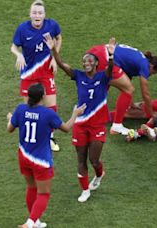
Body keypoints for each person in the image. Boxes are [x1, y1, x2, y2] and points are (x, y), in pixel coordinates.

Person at [7, 83, 86, 228]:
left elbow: (10, 129)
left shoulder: (20, 109)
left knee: (31, 188)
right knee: (43, 193)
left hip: (24, 157)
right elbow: (67, 128)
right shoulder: (48, 113)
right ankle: (30, 223)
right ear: (42, 96)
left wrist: (10, 118)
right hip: (41, 161)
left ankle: (34, 221)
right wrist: (75, 114)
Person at [45, 35, 113, 202]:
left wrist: (111, 55)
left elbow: (111, 68)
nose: (86, 63)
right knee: (81, 159)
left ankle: (99, 174)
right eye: (84, 61)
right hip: (81, 124)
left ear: (96, 63)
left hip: (97, 125)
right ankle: (85, 190)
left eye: (90, 60)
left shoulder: (103, 77)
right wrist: (53, 49)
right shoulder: (78, 76)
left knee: (94, 160)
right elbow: (61, 64)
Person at [10, 0, 62, 152]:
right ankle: (29, 138)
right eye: (34, 13)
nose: (37, 15)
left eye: (40, 13)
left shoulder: (51, 25)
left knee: (51, 107)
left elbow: (59, 38)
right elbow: (13, 46)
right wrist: (18, 54)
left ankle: (50, 137)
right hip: (28, 74)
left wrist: (54, 57)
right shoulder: (22, 29)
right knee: (30, 108)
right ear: (30, 14)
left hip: (46, 72)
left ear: (44, 15)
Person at [86, 38, 157, 135]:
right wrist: (152, 114)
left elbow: (124, 80)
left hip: (95, 53)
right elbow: (145, 93)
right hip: (104, 58)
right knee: (129, 89)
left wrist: (131, 104)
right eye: (152, 73)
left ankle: (89, 114)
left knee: (106, 84)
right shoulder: (145, 65)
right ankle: (117, 125)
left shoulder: (137, 60)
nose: (149, 75)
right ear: (151, 67)